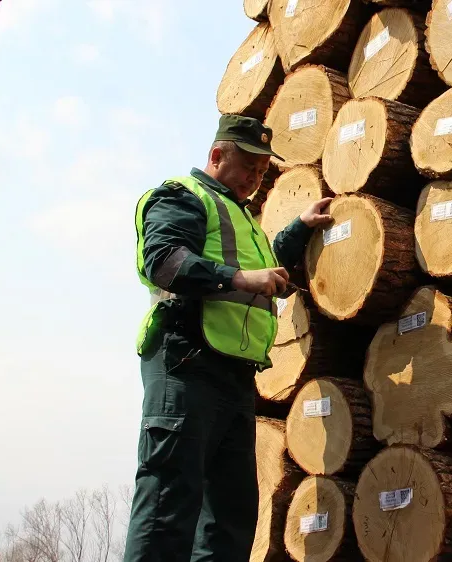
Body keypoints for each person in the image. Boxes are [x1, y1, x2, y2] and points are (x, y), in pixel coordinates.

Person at [124, 114, 332, 562]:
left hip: (234, 377)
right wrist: (237, 278)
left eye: (261, 173)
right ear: (218, 156)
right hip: (185, 362)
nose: (254, 180)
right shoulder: (181, 196)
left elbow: (265, 265)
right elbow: (163, 260)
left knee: (230, 516)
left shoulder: (241, 216)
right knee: (167, 504)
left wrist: (298, 226)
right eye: (248, 169)